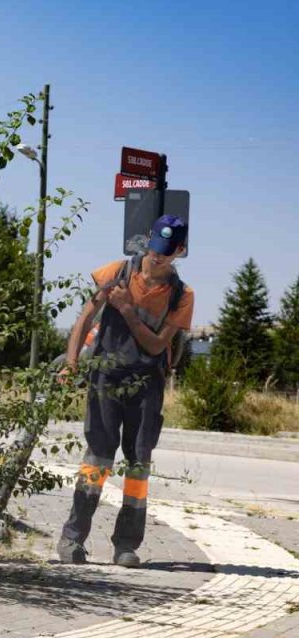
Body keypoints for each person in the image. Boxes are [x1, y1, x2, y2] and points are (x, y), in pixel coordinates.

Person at [56, 214, 194, 568]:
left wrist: (129, 311)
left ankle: (126, 546)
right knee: (98, 457)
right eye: (155, 247)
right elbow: (85, 319)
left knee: (138, 462)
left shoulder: (182, 296)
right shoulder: (116, 272)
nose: (157, 256)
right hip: (106, 376)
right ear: (149, 239)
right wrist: (72, 363)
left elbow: (155, 345)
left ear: (179, 251)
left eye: (167, 251)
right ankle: (72, 539)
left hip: (147, 383)